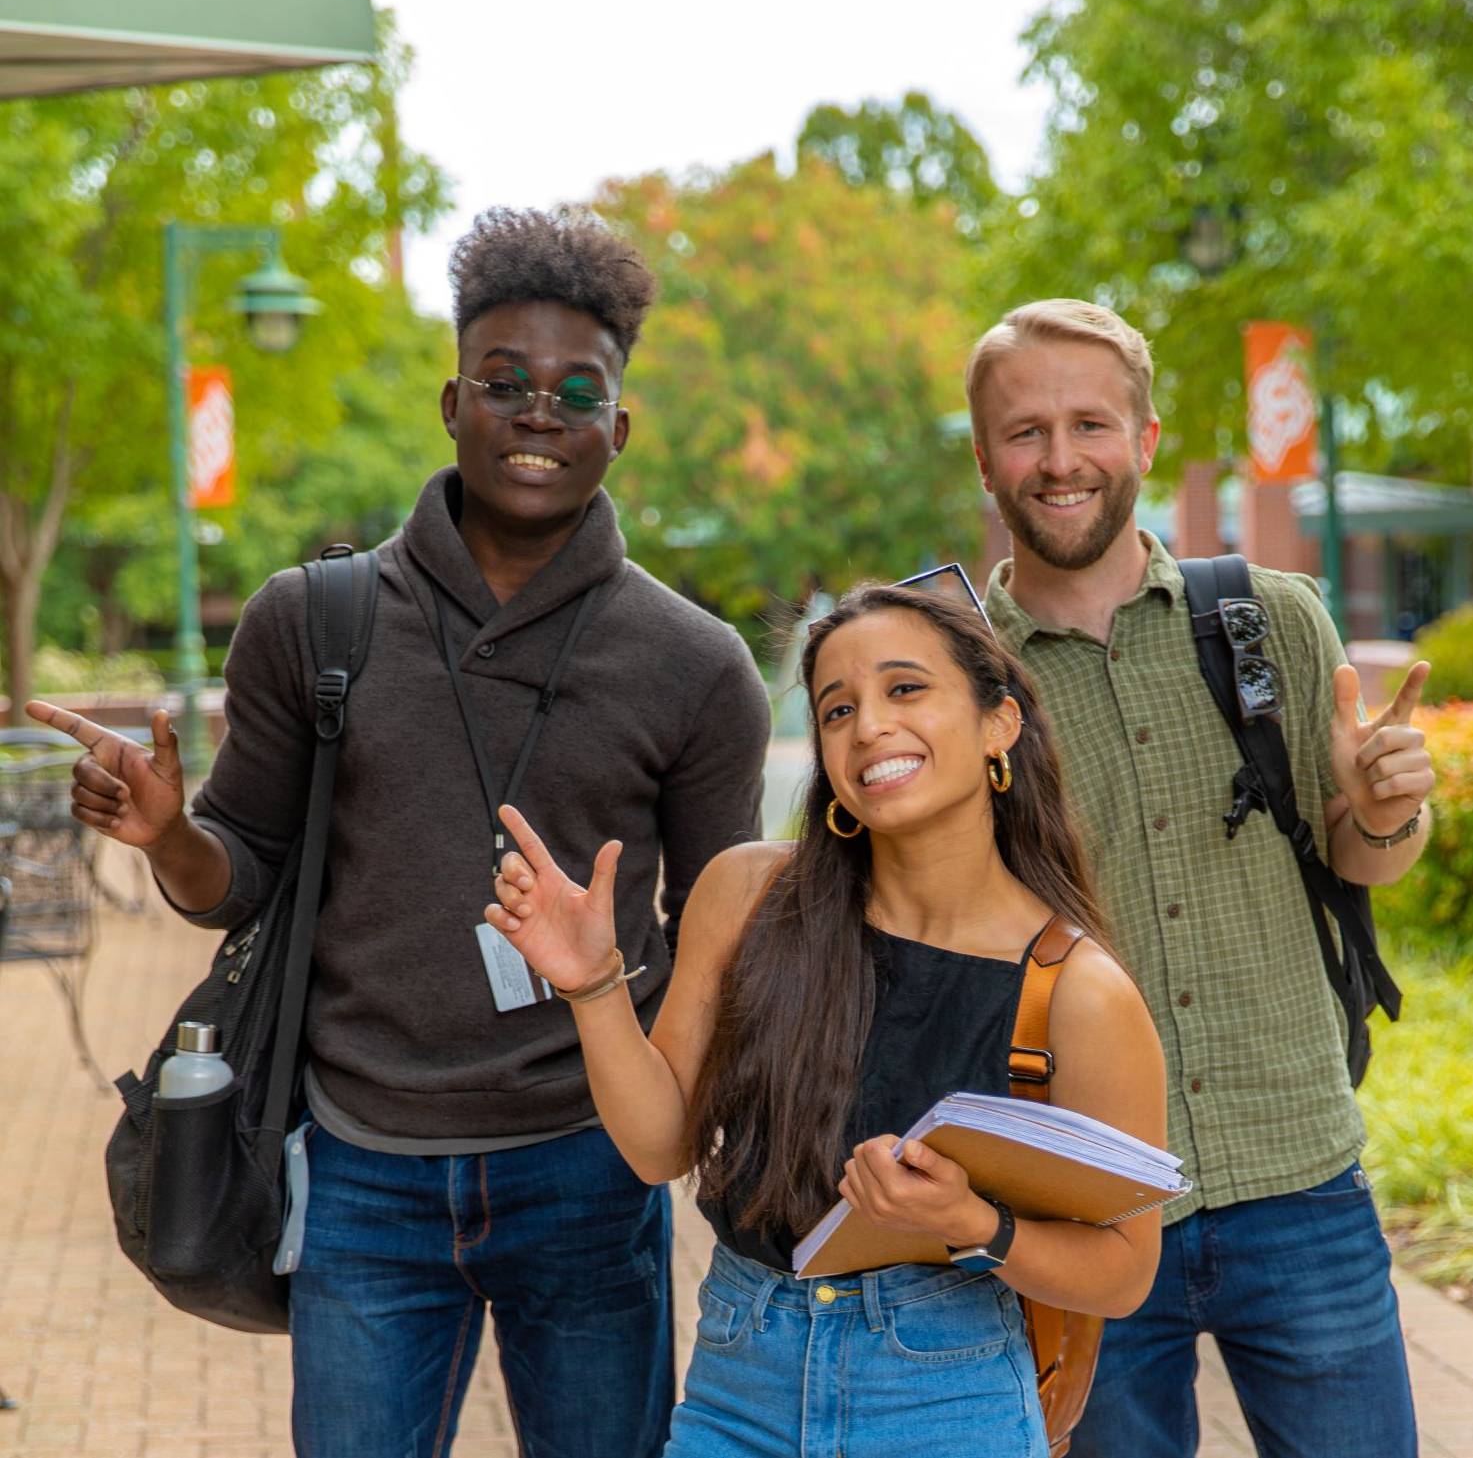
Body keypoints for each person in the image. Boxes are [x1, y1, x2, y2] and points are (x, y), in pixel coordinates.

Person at [28, 207, 771, 1458]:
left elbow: (721, 943)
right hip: (362, 1166)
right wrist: (167, 838)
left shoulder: (698, 668)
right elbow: (238, 880)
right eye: (505, 381)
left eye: (577, 391)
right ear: (451, 401)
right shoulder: (311, 621)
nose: (540, 411)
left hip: (587, 1168)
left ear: (620, 427)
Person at [480, 583, 1167, 1458]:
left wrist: (972, 1222)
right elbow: (658, 1147)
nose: (868, 725)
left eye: (905, 688)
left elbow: (1124, 1271)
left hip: (944, 1388)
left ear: (999, 724)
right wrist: (593, 987)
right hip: (740, 1372)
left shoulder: (1077, 989)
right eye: (836, 707)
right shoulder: (747, 893)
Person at [964, 298, 1435, 1458]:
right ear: (984, 461)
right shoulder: (957, 675)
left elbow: (1357, 860)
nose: (1061, 459)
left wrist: (1386, 811)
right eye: (1025, 432)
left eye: (1091, 424)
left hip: (1299, 1173)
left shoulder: (1273, 619)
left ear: (1148, 438)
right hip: (1085, 1200)